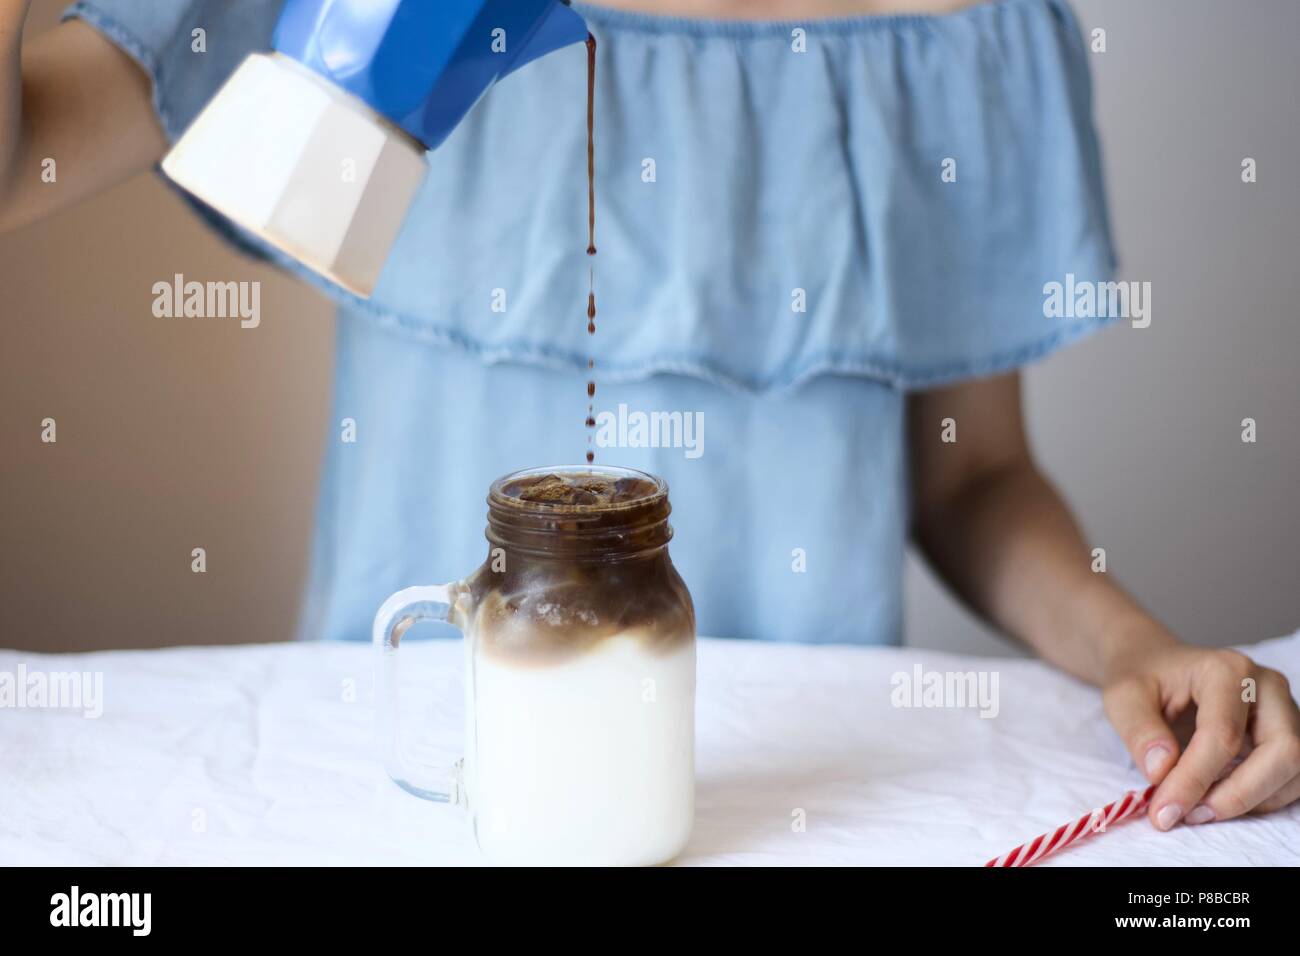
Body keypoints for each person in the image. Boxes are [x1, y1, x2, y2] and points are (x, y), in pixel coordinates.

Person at [2, 0, 1297, 831]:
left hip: (788, 814)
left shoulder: (967, 32)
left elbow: (972, 481)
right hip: (392, 794)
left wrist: (1134, 646)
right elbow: (21, 165)